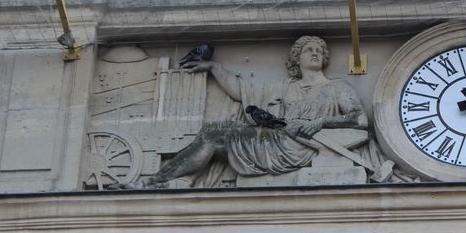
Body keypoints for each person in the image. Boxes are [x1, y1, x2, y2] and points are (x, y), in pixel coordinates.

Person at [141, 36, 368, 186]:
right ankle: (173, 180)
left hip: (305, 145)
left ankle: (158, 181)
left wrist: (320, 122)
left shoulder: (337, 87)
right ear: (297, 59)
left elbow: (359, 118)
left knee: (213, 134)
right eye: (309, 50)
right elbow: (244, 91)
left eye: (319, 50)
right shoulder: (286, 87)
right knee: (214, 131)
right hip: (279, 140)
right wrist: (213, 68)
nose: (315, 53)